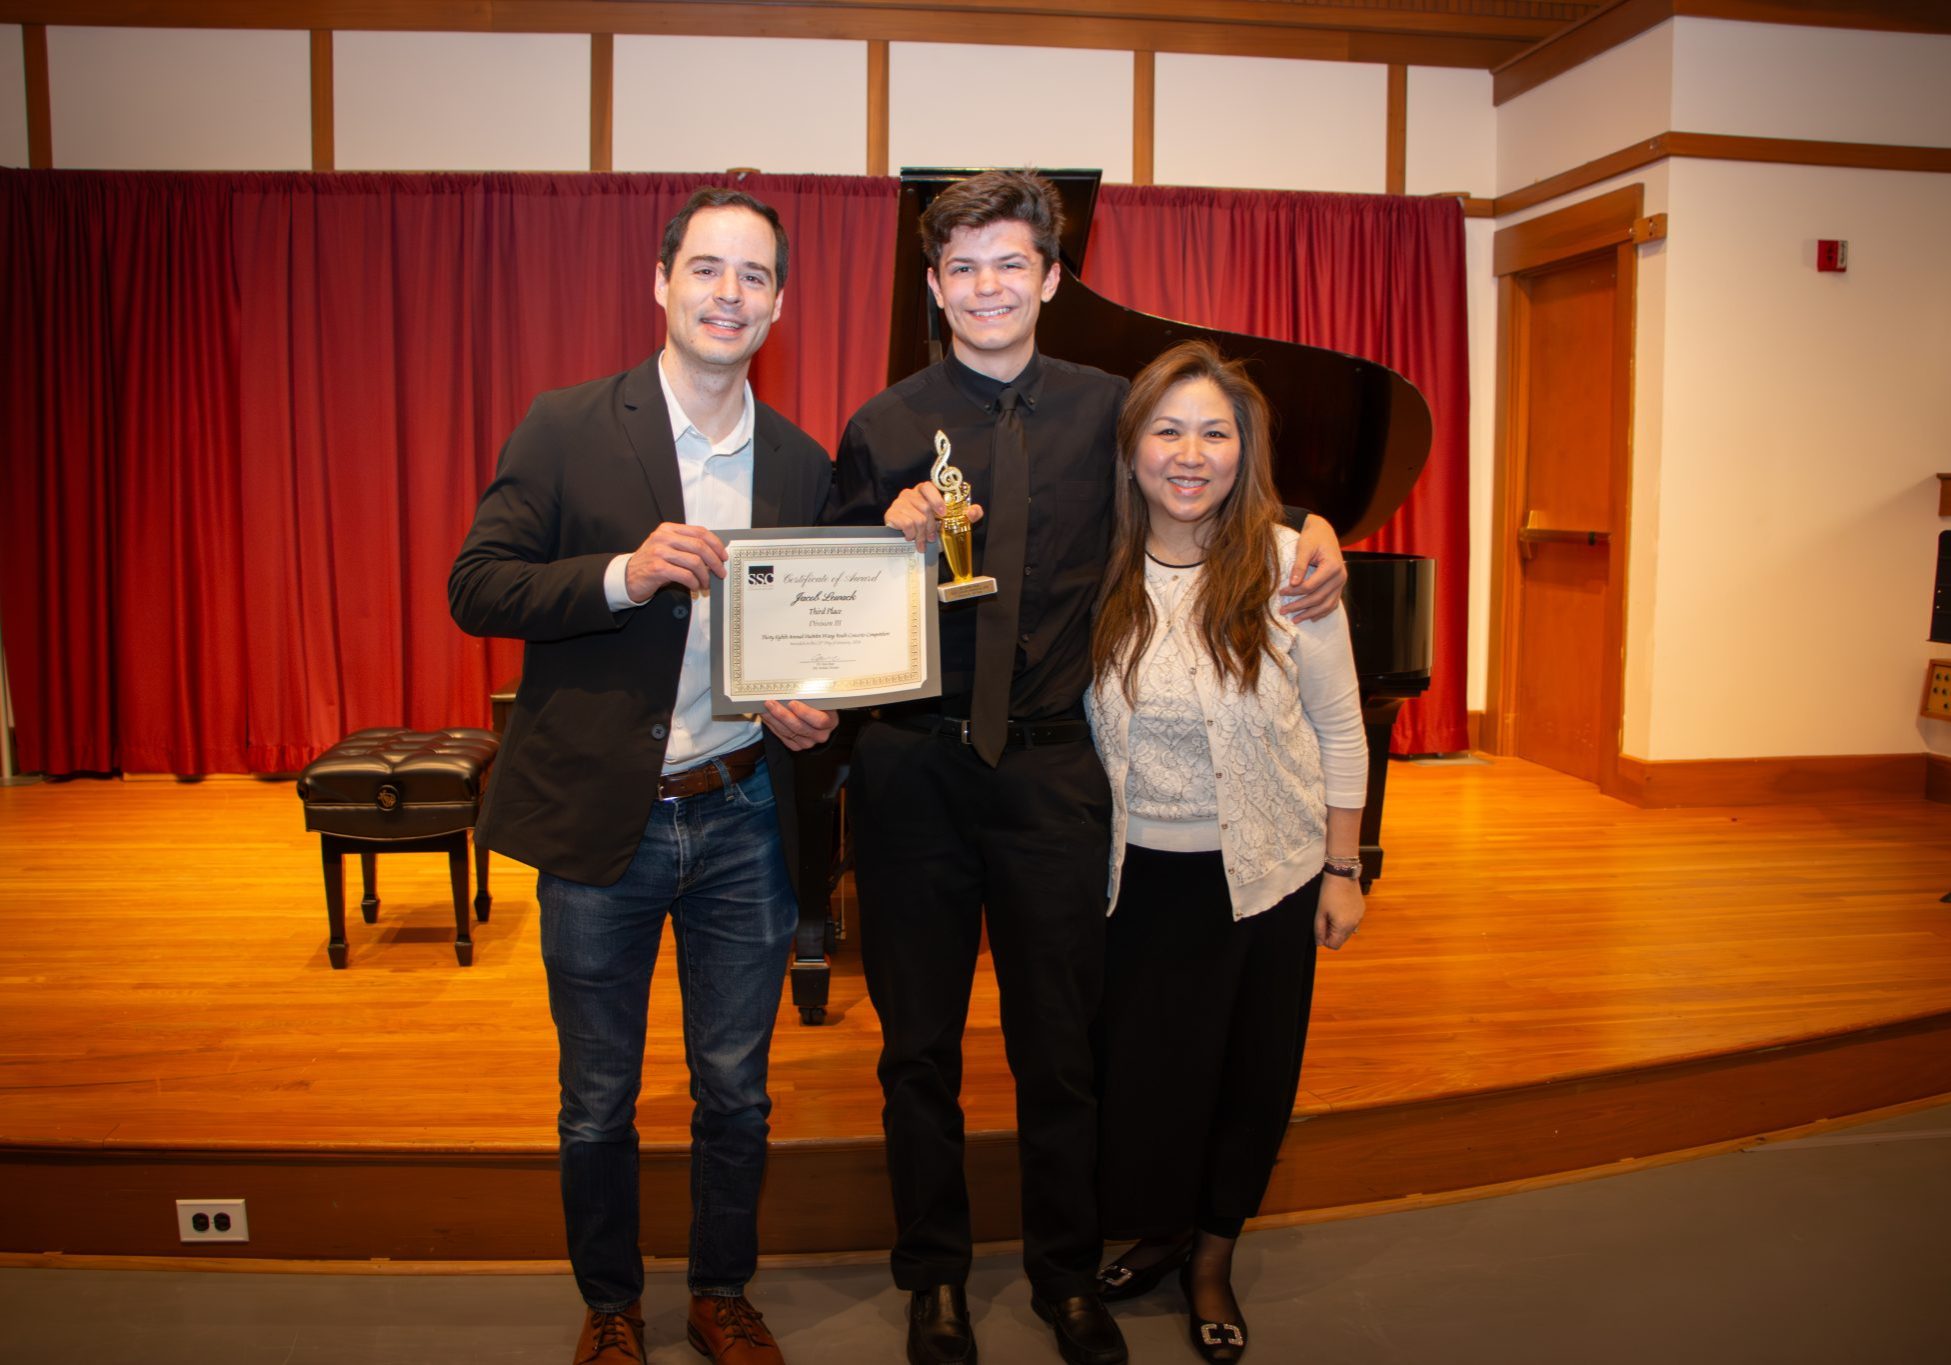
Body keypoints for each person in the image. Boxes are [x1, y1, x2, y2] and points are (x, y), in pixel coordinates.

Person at [823, 170, 1349, 1365]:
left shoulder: (1116, 412)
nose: (988, 286)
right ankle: (936, 1277)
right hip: (913, 770)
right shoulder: (883, 422)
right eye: (963, 268)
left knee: (1059, 1044)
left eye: (1012, 263)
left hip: (1057, 776)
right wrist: (874, 540)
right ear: (933, 287)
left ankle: (1066, 1275)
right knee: (917, 1048)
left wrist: (1315, 531)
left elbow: (1208, 490)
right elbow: (826, 592)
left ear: (1053, 278)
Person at [449, 187, 838, 1365]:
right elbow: (478, 586)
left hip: (744, 820)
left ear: (779, 302)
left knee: (738, 1091)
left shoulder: (803, 462)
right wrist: (620, 573)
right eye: (707, 269)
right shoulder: (568, 425)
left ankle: (721, 1292)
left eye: (754, 275)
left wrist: (816, 705)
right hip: (601, 825)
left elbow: (821, 636)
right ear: (660, 282)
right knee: (596, 1099)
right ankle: (611, 1305)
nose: (729, 294)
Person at [1085, 340, 1368, 1363]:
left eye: (1215, 431)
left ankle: (1211, 1251)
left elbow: (1341, 728)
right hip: (1133, 880)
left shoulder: (1293, 565)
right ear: (1129, 451)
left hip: (1267, 878)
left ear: (1244, 452)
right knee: (1149, 1079)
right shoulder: (1093, 564)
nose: (1190, 453)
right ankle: (1160, 1228)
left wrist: (1344, 871)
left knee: (1250, 1079)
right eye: (1167, 429)